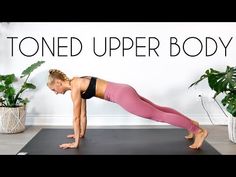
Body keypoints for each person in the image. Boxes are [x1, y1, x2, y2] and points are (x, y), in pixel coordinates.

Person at [47, 69, 208, 150]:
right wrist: (80, 134)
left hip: (122, 96)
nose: (55, 93)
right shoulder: (77, 80)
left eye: (54, 89)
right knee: (158, 109)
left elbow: (75, 117)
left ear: (59, 83)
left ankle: (198, 131)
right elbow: (82, 114)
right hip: (124, 89)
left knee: (159, 115)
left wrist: (75, 143)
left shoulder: (74, 88)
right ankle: (191, 123)